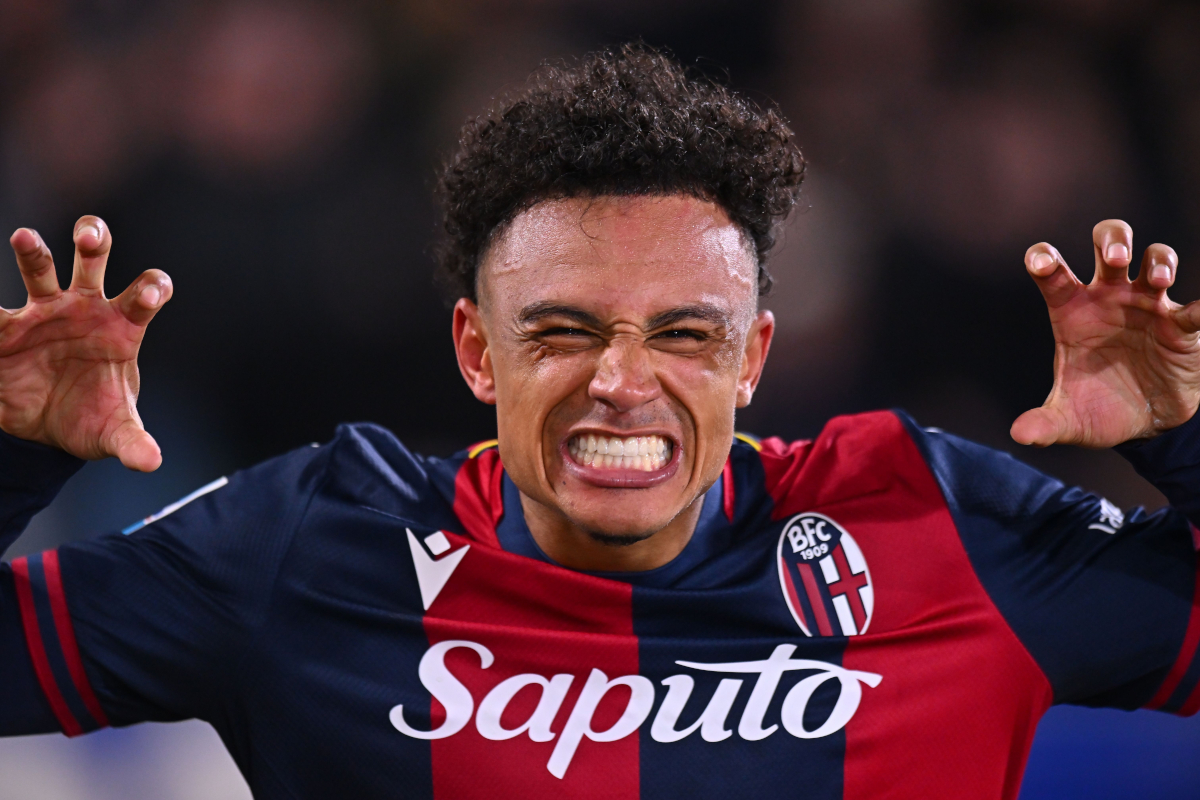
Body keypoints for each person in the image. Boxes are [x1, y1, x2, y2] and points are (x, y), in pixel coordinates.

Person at [0, 44, 1197, 799]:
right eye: (564, 330)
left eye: (684, 333)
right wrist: (14, 452)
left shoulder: (931, 522)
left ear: (752, 358)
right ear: (477, 349)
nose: (622, 378)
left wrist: (1181, 440)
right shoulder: (306, 542)